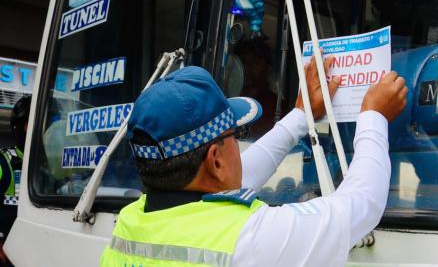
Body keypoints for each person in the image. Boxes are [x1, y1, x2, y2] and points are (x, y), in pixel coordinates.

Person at [100, 55, 407, 266]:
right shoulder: (248, 240)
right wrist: (374, 116)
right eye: (236, 135)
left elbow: (233, 179)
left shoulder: (129, 224)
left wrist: (300, 117)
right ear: (216, 160)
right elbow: (362, 203)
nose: (240, 145)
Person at [0, 95, 31, 266]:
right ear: (19, 127)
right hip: (7, 251)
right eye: (30, 123)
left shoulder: (53, 164)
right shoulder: (3, 160)